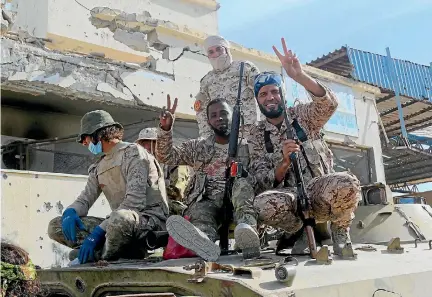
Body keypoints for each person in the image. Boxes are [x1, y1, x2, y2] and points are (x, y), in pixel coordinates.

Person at [247, 38, 361, 256]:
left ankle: (339, 230)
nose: (270, 97)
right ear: (258, 101)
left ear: (282, 94)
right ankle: (298, 232)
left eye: (274, 92)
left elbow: (329, 104)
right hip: (291, 200)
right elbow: (260, 179)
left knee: (347, 182)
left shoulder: (302, 116)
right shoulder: (256, 135)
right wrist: (283, 163)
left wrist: (298, 76)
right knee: (261, 204)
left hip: (320, 191)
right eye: (263, 94)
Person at [47, 110, 169, 264]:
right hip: (116, 226)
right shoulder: (99, 166)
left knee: (120, 218)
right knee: (55, 226)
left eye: (85, 137)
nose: (84, 143)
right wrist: (70, 212)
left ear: (98, 134)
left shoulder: (134, 154)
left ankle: (101, 257)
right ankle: (112, 251)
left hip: (148, 223)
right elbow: (85, 199)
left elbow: (134, 203)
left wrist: (97, 234)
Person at [156, 95, 259, 261]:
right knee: (199, 213)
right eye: (213, 115)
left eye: (224, 113)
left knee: (242, 185)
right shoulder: (199, 146)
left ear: (233, 116)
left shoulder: (250, 147)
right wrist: (166, 129)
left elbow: (263, 177)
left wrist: (243, 172)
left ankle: (248, 235)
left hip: (239, 203)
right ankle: (204, 243)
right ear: (209, 121)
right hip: (208, 200)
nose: (219, 118)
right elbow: (166, 157)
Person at [195, 35, 260, 139]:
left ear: (226, 50)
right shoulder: (206, 81)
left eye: (219, 49)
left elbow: (262, 94)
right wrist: (207, 139)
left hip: (249, 134)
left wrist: (266, 127)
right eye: (211, 52)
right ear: (208, 56)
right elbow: (202, 112)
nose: (216, 54)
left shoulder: (245, 68)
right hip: (223, 137)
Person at [135, 127, 191, 215]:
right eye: (143, 143)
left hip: (170, 205)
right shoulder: (141, 164)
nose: (146, 147)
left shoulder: (174, 161)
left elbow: (177, 192)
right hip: (146, 205)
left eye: (151, 142)